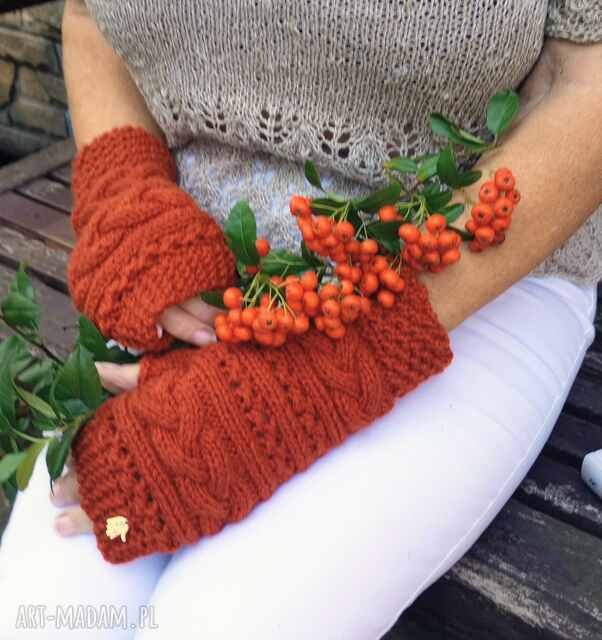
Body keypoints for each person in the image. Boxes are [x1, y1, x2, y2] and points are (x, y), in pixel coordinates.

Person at [1, 1, 601, 638]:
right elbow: (89, 19)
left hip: (472, 278)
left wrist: (306, 377)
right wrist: (124, 190)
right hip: (189, 270)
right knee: (40, 618)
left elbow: (585, 83)